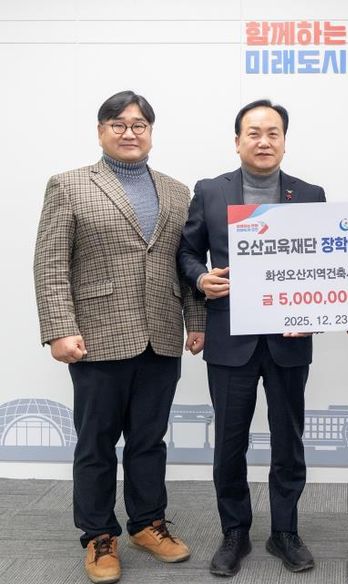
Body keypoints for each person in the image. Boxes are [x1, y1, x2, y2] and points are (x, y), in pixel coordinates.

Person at [33, 90, 206, 584]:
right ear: (101, 130)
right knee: (96, 443)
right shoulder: (68, 185)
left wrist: (197, 320)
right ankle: (98, 534)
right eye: (119, 124)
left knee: (149, 441)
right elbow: (50, 264)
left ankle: (148, 524)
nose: (130, 132)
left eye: (139, 125)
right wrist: (59, 329)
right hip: (96, 336)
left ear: (150, 132)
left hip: (161, 333)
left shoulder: (176, 191)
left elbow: (185, 262)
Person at [178, 99, 325, 577]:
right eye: (254, 133)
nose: (264, 142)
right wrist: (201, 278)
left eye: (273, 133)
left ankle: (285, 531)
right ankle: (234, 532)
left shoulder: (310, 195)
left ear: (284, 140)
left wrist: (316, 311)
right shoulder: (210, 191)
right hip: (229, 337)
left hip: (289, 338)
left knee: (289, 442)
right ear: (237, 140)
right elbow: (186, 252)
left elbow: (323, 266)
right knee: (229, 443)